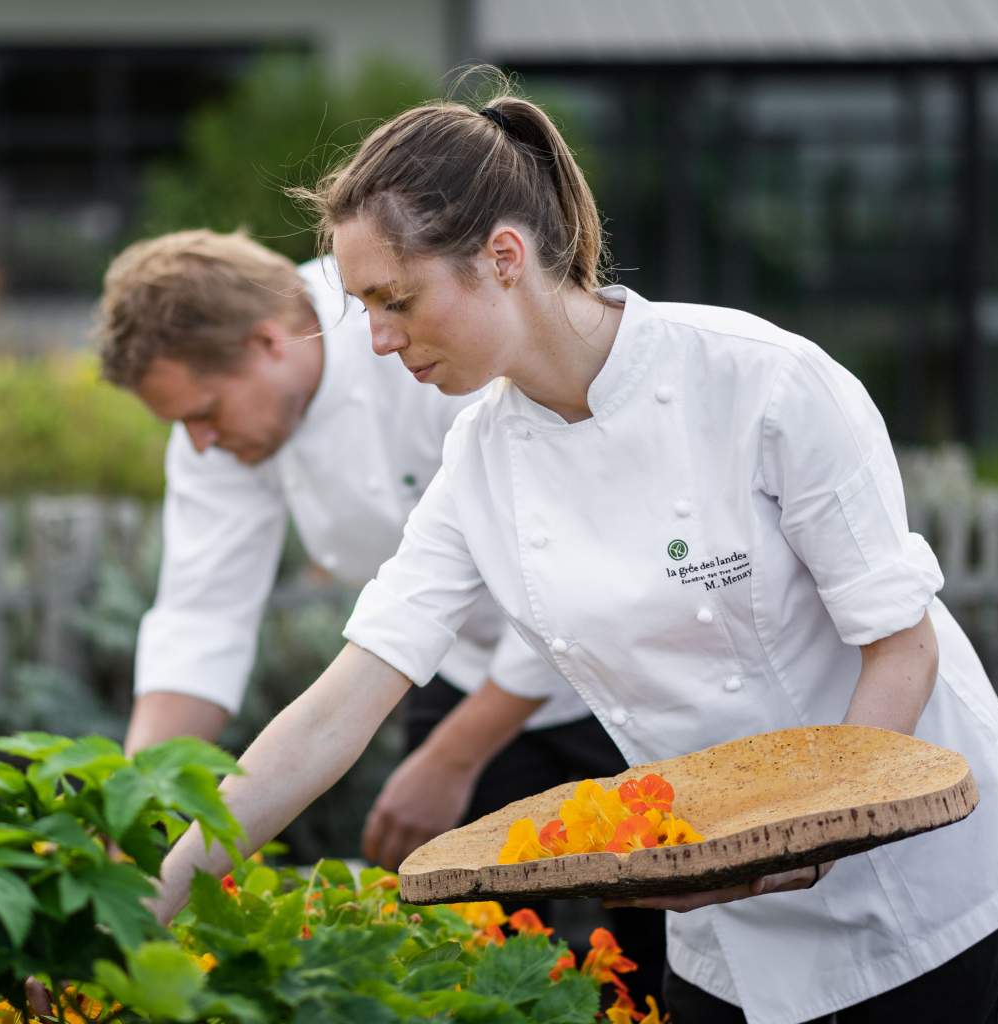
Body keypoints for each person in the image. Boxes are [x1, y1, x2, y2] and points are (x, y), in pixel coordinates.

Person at [150, 81, 998, 1024]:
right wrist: (161, 889)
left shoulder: (764, 381)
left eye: (395, 300)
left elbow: (901, 643)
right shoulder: (481, 456)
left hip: (906, 875)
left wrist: (812, 835)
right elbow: (339, 708)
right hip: (717, 894)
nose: (376, 340)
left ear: (503, 257)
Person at [96, 229, 663, 971]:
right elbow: (199, 622)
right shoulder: (224, 433)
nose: (197, 442)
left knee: (657, 926)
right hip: (454, 662)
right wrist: (131, 835)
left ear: (269, 342)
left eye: (203, 412)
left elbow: (573, 584)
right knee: (475, 951)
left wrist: (451, 757)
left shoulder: (422, 343)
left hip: (619, 669)